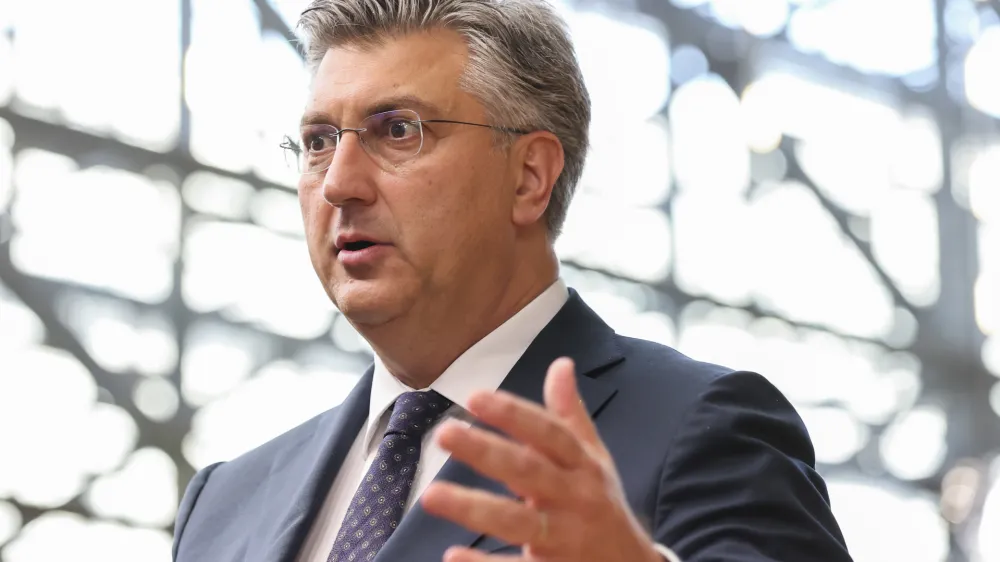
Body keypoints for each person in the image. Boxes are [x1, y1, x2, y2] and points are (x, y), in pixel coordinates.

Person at [171, 0, 854, 560]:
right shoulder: (224, 505)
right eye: (320, 141)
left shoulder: (700, 427)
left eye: (398, 130)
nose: (339, 183)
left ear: (529, 176)